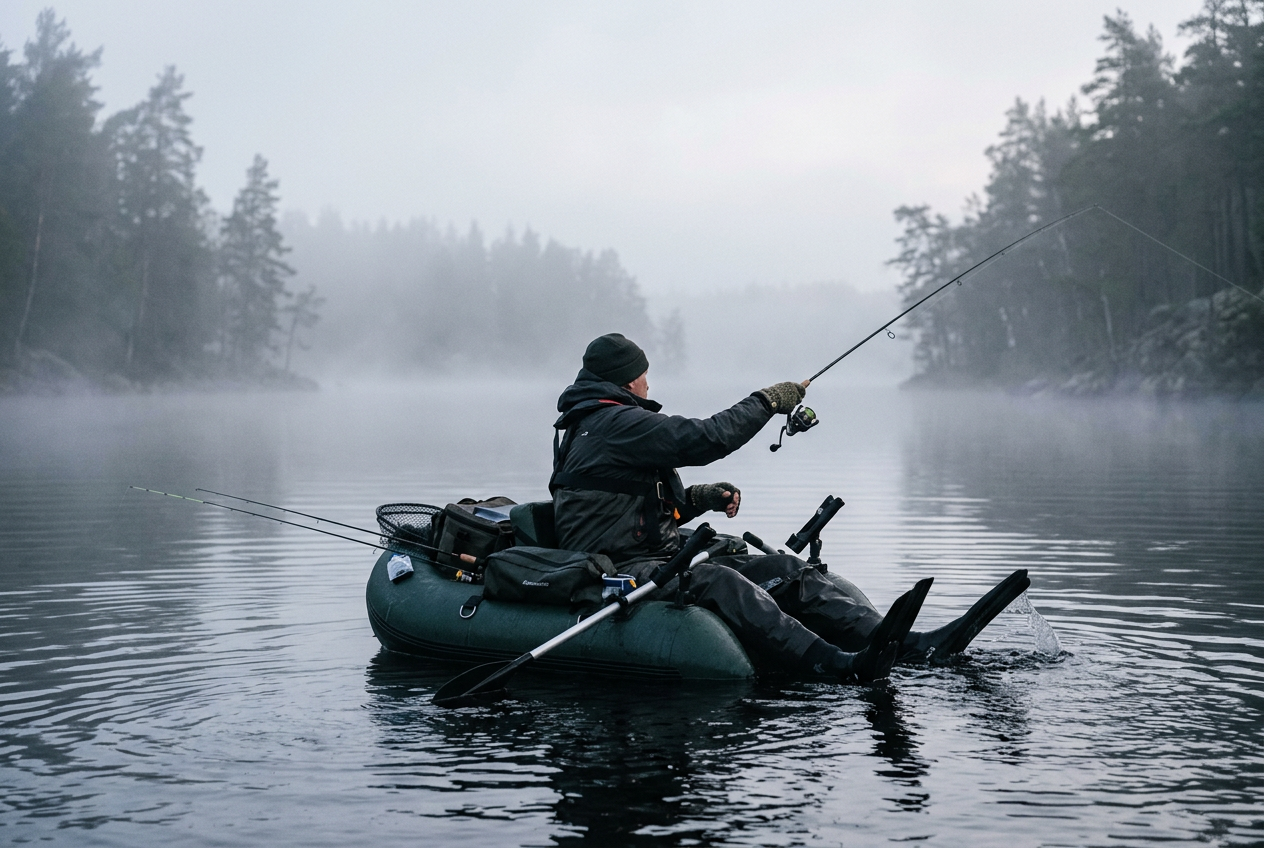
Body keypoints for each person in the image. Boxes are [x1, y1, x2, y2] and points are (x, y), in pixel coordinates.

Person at [550, 333, 1031, 682]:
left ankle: (906, 645)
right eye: (645, 376)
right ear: (628, 380)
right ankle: (833, 662)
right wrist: (767, 401)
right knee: (720, 580)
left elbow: (619, 502)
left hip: (650, 552)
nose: (649, 385)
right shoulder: (615, 421)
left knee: (783, 566)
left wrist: (695, 500)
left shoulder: (595, 424)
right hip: (623, 569)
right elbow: (703, 439)